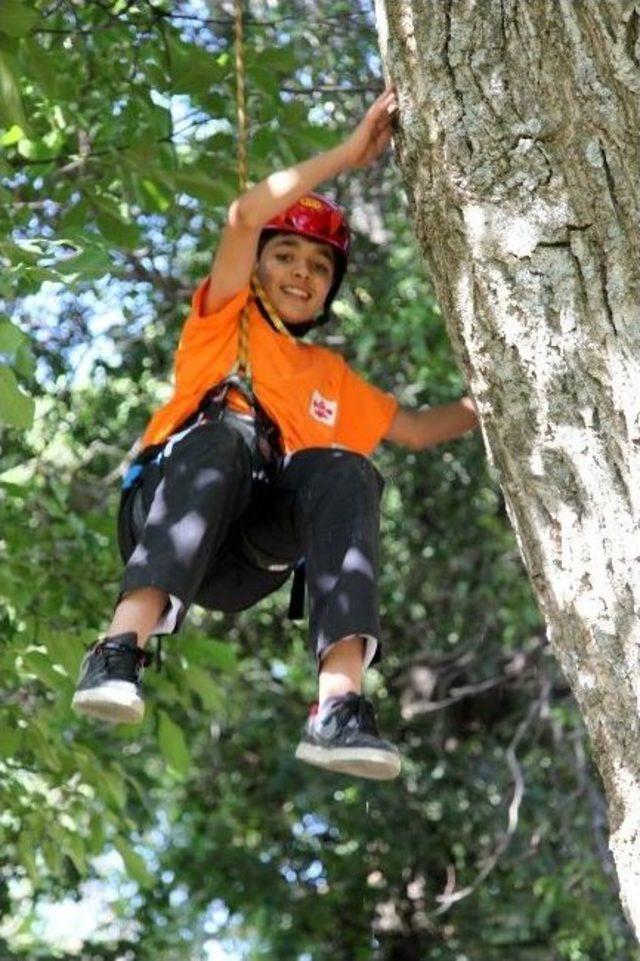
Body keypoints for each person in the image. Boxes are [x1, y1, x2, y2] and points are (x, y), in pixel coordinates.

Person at [71, 84, 479, 781]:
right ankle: (117, 649)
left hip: (242, 559)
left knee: (347, 467)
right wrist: (349, 155)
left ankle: (339, 706)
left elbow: (412, 430)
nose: (302, 272)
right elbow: (243, 215)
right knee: (228, 429)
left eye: (320, 267)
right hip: (168, 513)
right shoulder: (226, 318)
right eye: (287, 254)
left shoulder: (327, 371)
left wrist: (491, 398)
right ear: (259, 265)